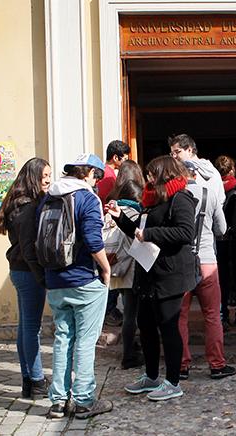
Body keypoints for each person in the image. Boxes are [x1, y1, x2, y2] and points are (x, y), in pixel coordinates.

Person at [107, 156, 196, 402]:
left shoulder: (181, 198)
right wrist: (120, 218)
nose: (147, 178)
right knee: (145, 324)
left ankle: (173, 381)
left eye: (151, 174)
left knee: (168, 326)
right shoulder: (152, 199)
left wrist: (149, 233)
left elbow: (186, 232)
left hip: (170, 273)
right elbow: (138, 230)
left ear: (164, 174)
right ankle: (151, 375)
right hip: (148, 272)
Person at [39, 154, 113, 419]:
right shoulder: (87, 198)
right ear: (89, 173)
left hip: (55, 280)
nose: (97, 182)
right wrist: (106, 269)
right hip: (84, 279)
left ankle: (58, 401)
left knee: (62, 338)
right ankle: (83, 400)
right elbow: (94, 241)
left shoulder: (49, 197)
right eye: (98, 176)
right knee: (85, 340)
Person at [0, 157, 51, 399]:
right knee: (31, 328)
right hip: (28, 273)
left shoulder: (18, 203)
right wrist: (41, 277)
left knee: (25, 328)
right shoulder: (27, 207)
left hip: (19, 271)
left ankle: (28, 380)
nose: (49, 180)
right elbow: (28, 248)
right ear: (33, 178)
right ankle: (37, 380)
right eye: (45, 176)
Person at [176, 160, 236, 380]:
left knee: (180, 315)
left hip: (182, 263)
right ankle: (217, 364)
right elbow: (221, 229)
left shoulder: (174, 196)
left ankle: (181, 365)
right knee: (212, 315)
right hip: (207, 260)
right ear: (195, 174)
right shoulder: (209, 194)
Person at [104, 160, 147, 369]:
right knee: (132, 313)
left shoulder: (111, 206)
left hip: (117, 265)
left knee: (129, 311)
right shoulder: (135, 210)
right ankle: (129, 355)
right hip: (132, 266)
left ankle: (131, 349)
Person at [97, 140, 131, 327]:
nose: (125, 161)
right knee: (113, 267)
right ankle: (109, 310)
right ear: (116, 157)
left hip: (104, 225)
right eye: (124, 157)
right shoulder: (109, 177)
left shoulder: (104, 173)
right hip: (108, 226)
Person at [214, 155, 236, 328]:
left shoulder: (214, 189)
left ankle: (223, 315)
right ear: (232, 170)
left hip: (220, 239)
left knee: (222, 278)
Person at [169, 133, 225, 221]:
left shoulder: (186, 173)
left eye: (177, 152)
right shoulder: (214, 172)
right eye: (172, 154)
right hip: (209, 227)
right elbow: (221, 200)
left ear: (189, 150)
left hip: (188, 226)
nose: (174, 157)